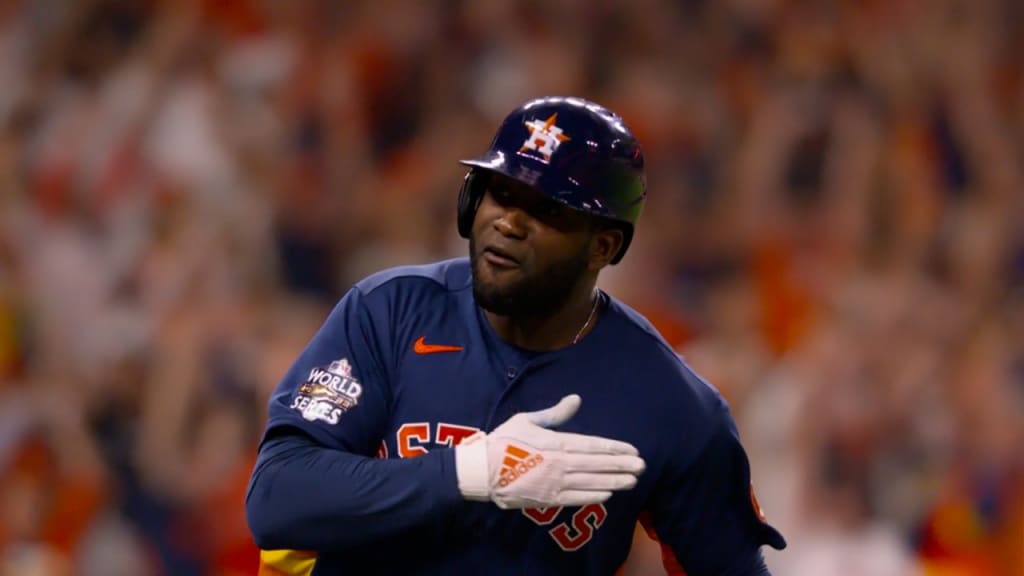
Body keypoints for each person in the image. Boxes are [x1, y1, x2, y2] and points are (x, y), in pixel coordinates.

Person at [245, 96, 786, 575]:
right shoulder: (390, 312)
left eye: (546, 210)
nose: (508, 222)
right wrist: (470, 471)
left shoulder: (669, 401)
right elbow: (277, 499)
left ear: (603, 247)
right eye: (501, 193)